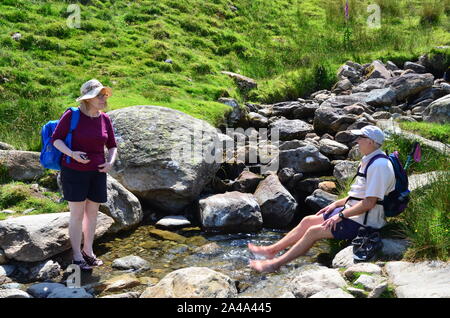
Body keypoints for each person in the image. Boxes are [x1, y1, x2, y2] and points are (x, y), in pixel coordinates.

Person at [248, 125, 395, 273]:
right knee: (308, 221)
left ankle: (274, 265)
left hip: (364, 221)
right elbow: (360, 194)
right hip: (353, 212)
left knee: (313, 231)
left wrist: (340, 215)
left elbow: (369, 202)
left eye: (361, 138)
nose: (357, 141)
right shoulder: (370, 159)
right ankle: (271, 251)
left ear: (371, 141)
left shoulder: (379, 165)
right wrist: (336, 204)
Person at [51, 79, 118, 271]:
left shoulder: (105, 118)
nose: (104, 98)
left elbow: (112, 145)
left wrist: (110, 162)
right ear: (88, 99)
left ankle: (88, 251)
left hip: (97, 173)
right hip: (74, 172)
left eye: (105, 95)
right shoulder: (72, 115)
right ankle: (77, 255)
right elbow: (56, 140)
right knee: (77, 214)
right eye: (99, 95)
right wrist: (72, 154)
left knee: (93, 214)